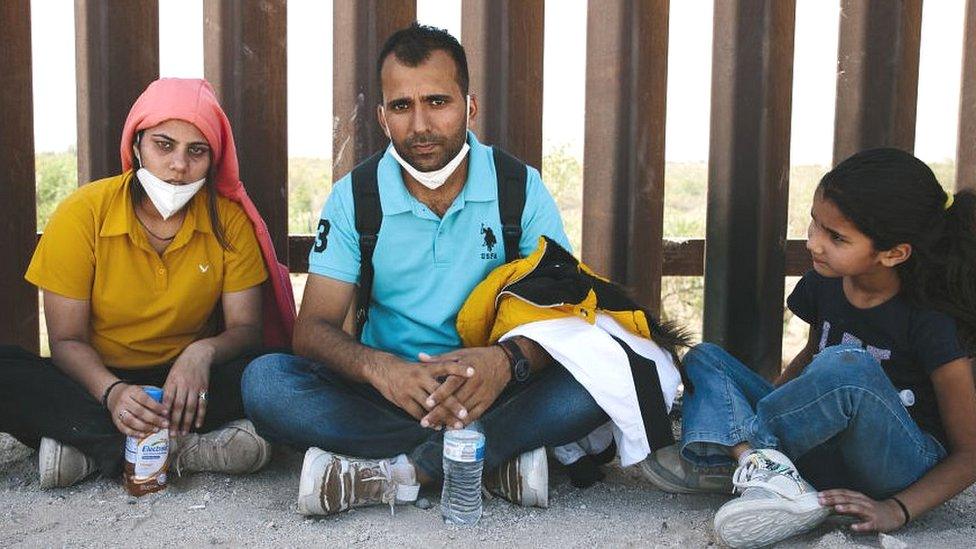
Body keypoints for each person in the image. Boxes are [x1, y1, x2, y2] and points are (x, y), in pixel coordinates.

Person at [242, 24, 609, 515]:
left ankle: (402, 471)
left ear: (469, 106)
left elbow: (561, 316)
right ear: (382, 116)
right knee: (266, 384)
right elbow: (312, 331)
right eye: (401, 106)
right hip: (390, 391)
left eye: (438, 102)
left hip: (493, 388)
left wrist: (503, 364)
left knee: (600, 376)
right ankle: (489, 458)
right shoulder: (356, 196)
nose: (419, 125)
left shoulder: (519, 188)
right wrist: (382, 370)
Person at [641, 148, 976, 547]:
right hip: (823, 448)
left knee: (847, 367)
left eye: (836, 237)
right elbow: (808, 360)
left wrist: (898, 509)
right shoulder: (827, 280)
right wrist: (769, 399)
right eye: (815, 224)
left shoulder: (930, 320)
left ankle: (742, 458)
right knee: (704, 358)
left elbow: (968, 454)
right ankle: (768, 471)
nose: (815, 244)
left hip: (896, 466)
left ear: (893, 253)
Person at [0, 78, 296, 489]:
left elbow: (245, 329)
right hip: (96, 380)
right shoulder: (83, 213)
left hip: (186, 388)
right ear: (136, 145)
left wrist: (200, 353)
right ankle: (182, 451)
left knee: (272, 374)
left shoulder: (228, 222)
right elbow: (66, 340)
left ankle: (90, 449)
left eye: (197, 150)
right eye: (164, 144)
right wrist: (114, 394)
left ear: (214, 159)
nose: (179, 165)